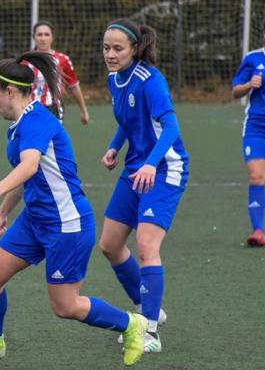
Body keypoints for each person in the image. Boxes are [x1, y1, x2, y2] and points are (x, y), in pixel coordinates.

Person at [0, 50, 147, 367]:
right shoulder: (18, 124)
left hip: (66, 224)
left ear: (10, 92)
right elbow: (27, 175)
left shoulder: (38, 121)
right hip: (35, 219)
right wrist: (3, 212)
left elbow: (29, 165)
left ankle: (131, 324)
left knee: (66, 306)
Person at [98, 18, 189, 354]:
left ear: (134, 49)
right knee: (108, 244)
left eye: (118, 48)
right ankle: (151, 307)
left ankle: (149, 330)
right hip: (136, 167)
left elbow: (171, 128)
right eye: (106, 47)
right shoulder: (114, 79)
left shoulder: (150, 81)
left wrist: (152, 162)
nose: (110, 54)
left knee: (147, 246)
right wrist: (114, 146)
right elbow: (128, 120)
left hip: (165, 168)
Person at [231, 15, 265, 247]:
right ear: (264, 33)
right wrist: (249, 85)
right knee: (256, 176)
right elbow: (236, 90)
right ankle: (258, 231)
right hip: (257, 127)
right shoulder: (253, 59)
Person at [30, 20, 90, 125]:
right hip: (30, 108)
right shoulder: (26, 60)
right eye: (39, 35)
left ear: (52, 37)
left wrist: (84, 110)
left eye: (46, 35)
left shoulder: (62, 60)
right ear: (33, 37)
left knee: (50, 141)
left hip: (54, 109)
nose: (43, 38)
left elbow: (74, 86)